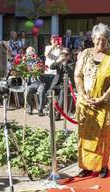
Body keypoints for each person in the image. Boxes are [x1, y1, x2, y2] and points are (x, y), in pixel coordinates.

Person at [75, 23, 110, 178]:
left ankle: (102, 166)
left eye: (103, 39)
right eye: (97, 39)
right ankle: (86, 166)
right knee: (85, 136)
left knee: (103, 137)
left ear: (108, 40)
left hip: (104, 103)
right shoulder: (85, 54)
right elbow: (78, 76)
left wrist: (103, 97)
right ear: (93, 39)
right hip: (85, 103)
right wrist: (82, 94)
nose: (100, 43)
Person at [48, 48, 75, 120]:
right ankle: (52, 111)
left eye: (66, 54)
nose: (64, 56)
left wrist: (65, 63)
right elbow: (51, 67)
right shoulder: (59, 62)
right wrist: (57, 61)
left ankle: (58, 114)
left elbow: (70, 71)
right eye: (63, 53)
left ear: (69, 55)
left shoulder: (72, 63)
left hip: (66, 84)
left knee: (62, 93)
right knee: (50, 92)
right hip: (57, 84)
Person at [25, 46, 46, 116]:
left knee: (41, 91)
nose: (30, 54)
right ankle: (30, 107)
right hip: (32, 83)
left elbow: (43, 70)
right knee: (27, 92)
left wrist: (37, 62)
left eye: (31, 52)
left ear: (34, 53)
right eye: (28, 53)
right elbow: (23, 73)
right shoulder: (25, 62)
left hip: (40, 82)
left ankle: (40, 109)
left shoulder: (38, 60)